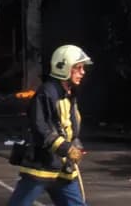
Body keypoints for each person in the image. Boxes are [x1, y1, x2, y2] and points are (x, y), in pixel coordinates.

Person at [5, 44, 93, 206]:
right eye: (78, 68)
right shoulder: (47, 92)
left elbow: (68, 127)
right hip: (41, 167)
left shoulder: (69, 94)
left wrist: (75, 146)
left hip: (62, 167)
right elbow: (40, 128)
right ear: (65, 67)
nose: (83, 72)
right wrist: (66, 148)